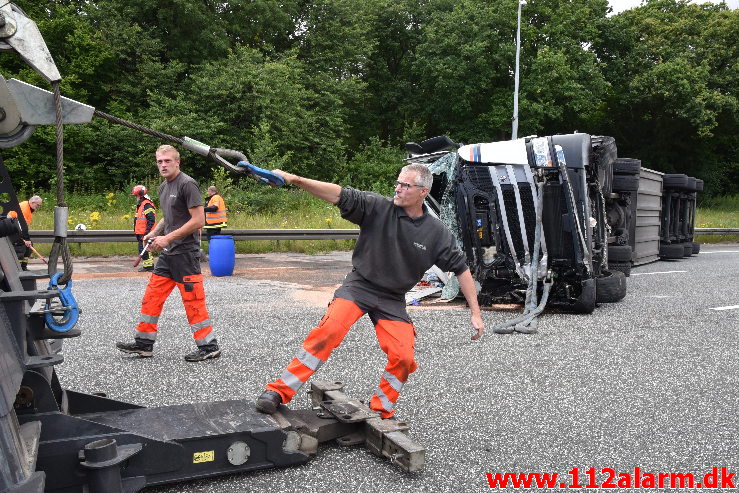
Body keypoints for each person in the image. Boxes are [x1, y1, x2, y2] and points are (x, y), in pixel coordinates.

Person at [255, 164, 484, 418]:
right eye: (397, 182)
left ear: (423, 192)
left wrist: (475, 312)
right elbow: (338, 194)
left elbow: (462, 269)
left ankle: (382, 408)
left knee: (404, 357)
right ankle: (279, 391)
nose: (398, 188)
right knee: (328, 332)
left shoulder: (436, 232)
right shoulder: (378, 207)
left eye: (405, 185)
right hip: (360, 286)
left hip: (392, 299)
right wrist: (294, 178)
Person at [116, 145, 222, 362]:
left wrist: (167, 238)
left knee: (193, 301)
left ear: (177, 162)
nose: (163, 165)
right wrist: (155, 232)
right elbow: (169, 216)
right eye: (159, 162)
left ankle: (209, 347)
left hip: (185, 254)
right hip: (168, 253)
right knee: (151, 297)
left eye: (167, 161)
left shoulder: (187, 184)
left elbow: (198, 220)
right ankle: (144, 344)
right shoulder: (164, 187)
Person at [8, 195, 42, 270]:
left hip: (16, 229)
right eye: (38, 205)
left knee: (28, 247)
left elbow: (24, 226)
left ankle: (23, 267)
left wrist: (27, 239)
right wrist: (26, 239)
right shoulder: (25, 208)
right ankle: (18, 268)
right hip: (11, 230)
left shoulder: (28, 207)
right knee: (20, 247)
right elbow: (23, 226)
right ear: (33, 202)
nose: (39, 207)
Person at [131, 185, 156, 272]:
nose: (135, 197)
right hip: (140, 232)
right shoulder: (141, 205)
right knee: (143, 249)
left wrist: (147, 231)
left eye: (136, 195)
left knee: (144, 249)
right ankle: (148, 265)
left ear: (141, 195)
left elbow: (151, 219)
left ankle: (149, 266)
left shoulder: (147, 205)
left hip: (145, 232)